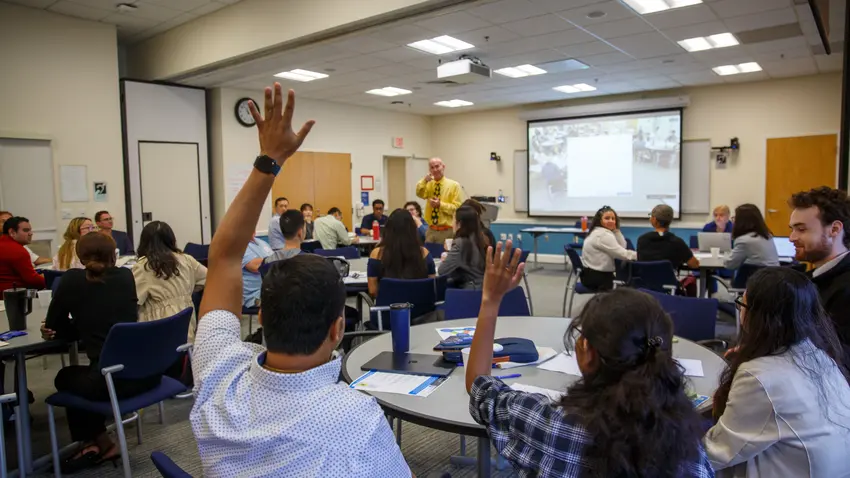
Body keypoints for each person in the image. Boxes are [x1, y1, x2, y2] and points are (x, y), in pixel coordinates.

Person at [191, 84, 410, 476]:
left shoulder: (219, 372)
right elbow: (226, 257)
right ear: (338, 328)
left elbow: (223, 255)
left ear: (261, 315)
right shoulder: (356, 420)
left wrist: (269, 159)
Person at [466, 242, 712, 477]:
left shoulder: (550, 424)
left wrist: (490, 300)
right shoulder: (689, 445)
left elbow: (480, 386)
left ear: (588, 352)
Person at [705, 267, 850, 476]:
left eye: (742, 304)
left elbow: (716, 453)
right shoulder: (820, 356)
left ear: (761, 316)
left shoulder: (759, 376)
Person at [41, 232, 155, 473]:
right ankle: (96, 441)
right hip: (145, 374)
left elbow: (55, 325)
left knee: (65, 377)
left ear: (79, 256)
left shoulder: (71, 280)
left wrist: (74, 328)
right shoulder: (126, 276)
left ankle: (98, 441)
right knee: (88, 375)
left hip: (110, 383)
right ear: (113, 254)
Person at [789, 186, 850, 362]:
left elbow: (835, 358)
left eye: (801, 229)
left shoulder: (845, 289)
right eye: (792, 229)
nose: (791, 237)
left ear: (835, 229)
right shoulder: (814, 277)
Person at [132, 221, 207, 340]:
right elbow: (208, 278)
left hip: (158, 328)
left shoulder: (143, 266)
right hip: (186, 324)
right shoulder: (186, 260)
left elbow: (134, 299)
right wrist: (189, 289)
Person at [367, 209, 435, 297]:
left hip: (388, 308)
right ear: (413, 229)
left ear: (388, 229)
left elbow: (372, 291)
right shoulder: (424, 253)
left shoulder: (377, 254)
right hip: (420, 308)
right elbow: (432, 286)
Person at [580, 206, 636, 291]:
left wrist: (616, 230)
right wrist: (643, 255)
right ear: (600, 220)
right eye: (607, 218)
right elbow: (623, 255)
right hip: (598, 278)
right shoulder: (603, 235)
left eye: (613, 219)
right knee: (633, 284)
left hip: (590, 275)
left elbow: (622, 246)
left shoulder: (598, 231)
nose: (611, 221)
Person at [415, 157, 463, 244]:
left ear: (443, 167)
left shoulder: (454, 185)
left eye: (437, 166)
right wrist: (424, 181)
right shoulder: (428, 184)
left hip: (447, 230)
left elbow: (457, 209)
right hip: (430, 230)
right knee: (429, 255)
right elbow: (419, 193)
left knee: (444, 256)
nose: (435, 170)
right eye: (432, 167)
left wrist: (440, 205)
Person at [438, 205, 487, 289]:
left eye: (453, 220)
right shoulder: (481, 240)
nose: (452, 224)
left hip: (469, 290)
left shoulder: (460, 243)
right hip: (483, 288)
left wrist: (446, 259)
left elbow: (442, 271)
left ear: (459, 224)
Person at [637, 204, 699, 269]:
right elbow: (694, 264)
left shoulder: (642, 240)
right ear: (670, 220)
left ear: (654, 220)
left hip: (646, 279)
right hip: (669, 279)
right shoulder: (677, 242)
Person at [724, 204, 779, 270]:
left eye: (735, 218)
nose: (733, 221)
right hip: (774, 278)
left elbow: (729, 265)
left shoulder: (744, 241)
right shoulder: (767, 236)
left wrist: (725, 255)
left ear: (741, 221)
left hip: (755, 279)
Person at [0, 216, 46, 291]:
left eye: (30, 230)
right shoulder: (17, 250)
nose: (31, 233)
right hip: (13, 296)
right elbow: (32, 280)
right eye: (26, 230)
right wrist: (51, 281)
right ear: (12, 232)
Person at [241, 233, 274, 307]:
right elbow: (255, 266)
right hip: (256, 296)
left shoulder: (261, 242)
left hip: (272, 289)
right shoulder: (239, 245)